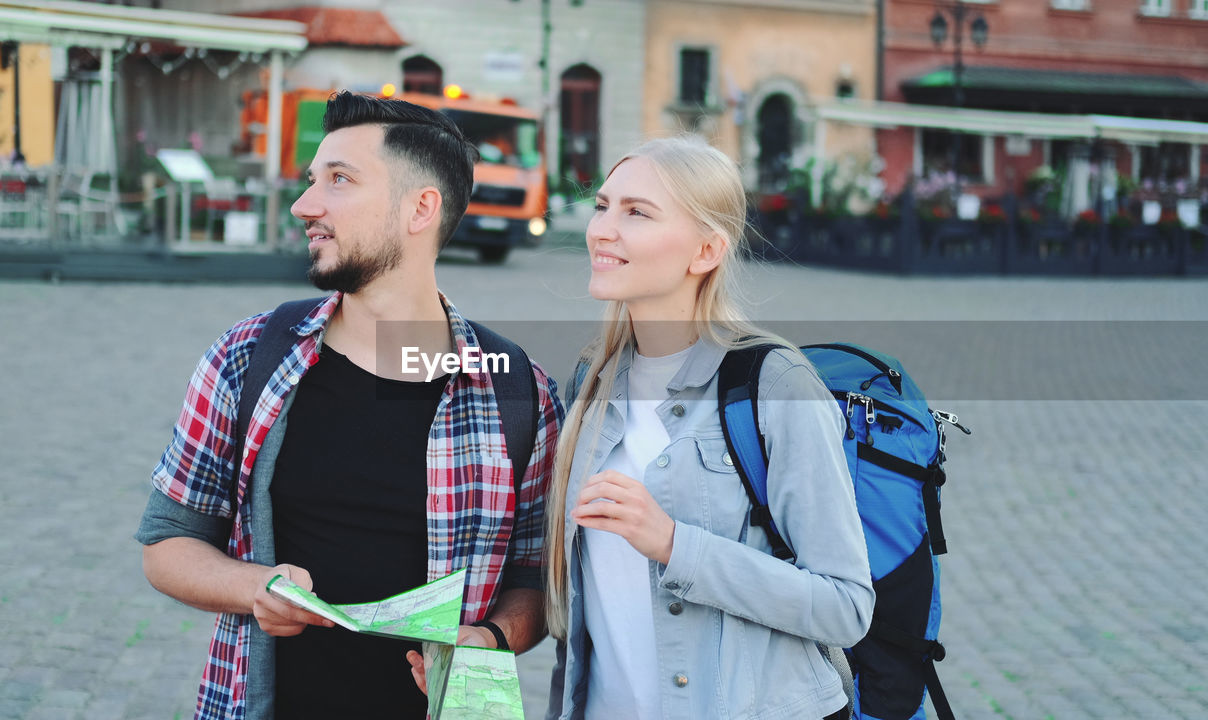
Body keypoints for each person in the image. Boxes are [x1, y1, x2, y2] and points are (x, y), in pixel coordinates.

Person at [136, 92, 563, 720]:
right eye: (313, 181)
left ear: (421, 208)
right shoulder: (249, 355)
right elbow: (168, 542)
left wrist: (491, 638)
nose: (305, 205)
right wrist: (257, 587)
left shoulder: (518, 390)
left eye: (339, 180)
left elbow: (534, 582)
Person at [543, 136, 874, 720]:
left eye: (637, 213)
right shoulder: (590, 385)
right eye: (602, 206)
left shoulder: (773, 383)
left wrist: (675, 545)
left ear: (705, 251)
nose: (602, 229)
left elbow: (845, 608)